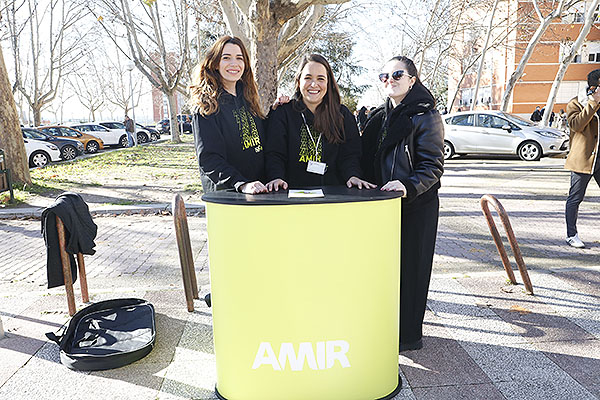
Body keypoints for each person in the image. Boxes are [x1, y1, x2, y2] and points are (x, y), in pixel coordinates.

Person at [360, 55, 444, 351]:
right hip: (385, 206)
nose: (390, 80)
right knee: (385, 272)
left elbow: (433, 166)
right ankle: (385, 329)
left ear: (412, 80)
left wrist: (408, 186)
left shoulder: (426, 115)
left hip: (416, 205)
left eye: (397, 75)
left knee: (412, 272)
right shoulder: (381, 116)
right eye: (384, 76)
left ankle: (407, 337)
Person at [265, 54, 375, 190]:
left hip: (333, 195)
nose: (314, 84)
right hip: (291, 195)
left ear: (328, 83)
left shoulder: (342, 114)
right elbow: (275, 153)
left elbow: (350, 154)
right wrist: (276, 177)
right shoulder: (283, 112)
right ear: (299, 81)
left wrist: (353, 175)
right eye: (308, 78)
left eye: (320, 79)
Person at [188, 36, 267, 194]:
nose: (234, 64)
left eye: (239, 58)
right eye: (226, 58)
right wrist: (241, 184)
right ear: (216, 63)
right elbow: (209, 159)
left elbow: (261, 140)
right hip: (228, 195)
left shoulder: (249, 99)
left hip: (258, 191)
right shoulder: (206, 106)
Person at [564, 69, 600, 248]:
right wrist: (592, 103)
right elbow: (576, 125)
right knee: (575, 198)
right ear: (594, 87)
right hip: (583, 159)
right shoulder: (576, 103)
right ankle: (572, 235)